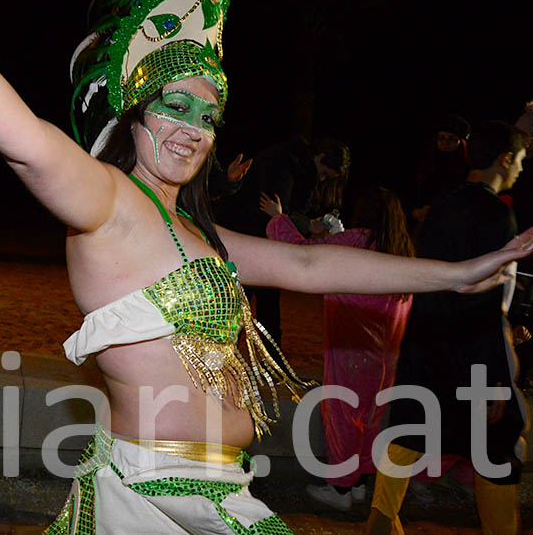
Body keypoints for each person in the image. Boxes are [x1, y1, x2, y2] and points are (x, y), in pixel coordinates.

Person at [0, 0, 529, 533]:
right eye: (175, 105)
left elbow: (307, 264)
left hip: (211, 484)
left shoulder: (193, 232)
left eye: (208, 115)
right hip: (165, 493)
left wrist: (458, 273)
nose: (192, 129)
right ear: (135, 110)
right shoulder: (106, 202)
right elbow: (23, 136)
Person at [366, 121, 530, 535]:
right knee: (500, 442)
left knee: (410, 425)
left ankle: (381, 518)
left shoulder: (443, 204)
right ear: (505, 159)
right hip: (472, 349)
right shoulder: (496, 214)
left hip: (426, 339)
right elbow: (485, 301)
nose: (523, 170)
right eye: (522, 160)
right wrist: (494, 377)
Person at [261, 187, 414, 511]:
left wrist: (279, 219)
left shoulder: (355, 243)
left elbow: (302, 253)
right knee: (372, 415)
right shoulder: (401, 249)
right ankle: (359, 483)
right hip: (386, 353)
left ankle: (340, 488)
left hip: (351, 345)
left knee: (344, 415)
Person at [212, 135, 351, 361]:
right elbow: (273, 207)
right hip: (252, 238)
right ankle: (246, 359)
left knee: (250, 301)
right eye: (324, 173)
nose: (322, 179)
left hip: (254, 238)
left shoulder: (294, 160)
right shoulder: (287, 163)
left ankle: (255, 358)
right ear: (321, 157)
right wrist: (306, 224)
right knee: (247, 300)